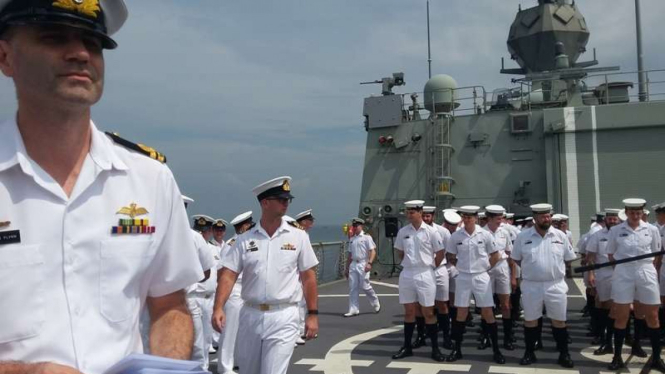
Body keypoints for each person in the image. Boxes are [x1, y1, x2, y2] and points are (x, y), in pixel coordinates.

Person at [0, 1, 205, 372]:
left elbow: (169, 304)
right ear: (5, 57)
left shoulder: (149, 180)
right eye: (53, 37)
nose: (80, 53)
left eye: (93, 43)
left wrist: (165, 366)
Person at [212, 176, 319, 374]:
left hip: (284, 315)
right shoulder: (245, 239)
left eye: (288, 200)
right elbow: (228, 275)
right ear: (265, 203)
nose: (286, 203)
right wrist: (218, 307)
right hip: (250, 315)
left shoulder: (299, 237)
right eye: (281, 199)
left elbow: (309, 276)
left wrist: (312, 314)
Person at [511, 204, 576, 368]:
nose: (546, 219)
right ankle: (529, 353)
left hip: (555, 285)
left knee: (559, 321)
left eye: (548, 216)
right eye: (542, 216)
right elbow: (517, 258)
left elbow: (569, 258)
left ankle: (564, 354)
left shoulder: (560, 236)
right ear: (535, 218)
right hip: (532, 285)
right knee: (530, 320)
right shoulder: (523, 237)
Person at [605, 198, 664, 371]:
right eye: (632, 213)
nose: (635, 216)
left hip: (645, 270)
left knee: (653, 315)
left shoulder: (651, 229)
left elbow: (656, 253)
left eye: (638, 213)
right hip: (623, 271)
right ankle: (617, 357)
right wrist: (623, 270)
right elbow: (610, 254)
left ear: (642, 212)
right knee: (621, 315)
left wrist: (648, 270)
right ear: (626, 212)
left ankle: (656, 358)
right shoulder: (616, 230)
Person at [445, 205, 504, 364]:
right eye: (464, 217)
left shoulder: (484, 235)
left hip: (481, 276)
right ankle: (457, 349)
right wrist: (459, 266)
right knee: (461, 313)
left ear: (476, 218)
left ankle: (496, 350)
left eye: (470, 217)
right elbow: (451, 255)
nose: (467, 219)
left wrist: (486, 268)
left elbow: (495, 255)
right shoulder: (456, 236)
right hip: (463, 276)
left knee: (488, 312)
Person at [392, 200, 446, 362]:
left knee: (428, 312)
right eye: (407, 212)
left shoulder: (431, 232)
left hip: (425, 273)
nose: (409, 215)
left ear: (420, 212)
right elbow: (400, 252)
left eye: (412, 212)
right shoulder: (403, 232)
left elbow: (440, 253)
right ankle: (407, 346)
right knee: (409, 311)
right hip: (408, 273)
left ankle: (435, 349)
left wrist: (431, 268)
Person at [216, 211, 253, 374]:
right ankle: (224, 366)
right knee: (230, 331)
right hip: (234, 290)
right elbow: (222, 271)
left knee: (243, 330)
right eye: (249, 225)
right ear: (244, 226)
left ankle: (237, 361)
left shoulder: (247, 241)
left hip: (246, 291)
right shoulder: (232, 244)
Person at [586, 208, 621, 356]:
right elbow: (591, 256)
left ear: (618, 220)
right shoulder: (597, 235)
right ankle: (604, 338)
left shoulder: (623, 233)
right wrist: (591, 274)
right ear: (605, 219)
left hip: (621, 273)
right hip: (603, 274)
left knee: (619, 307)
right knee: (604, 307)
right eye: (610, 218)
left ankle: (620, 338)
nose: (612, 221)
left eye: (615, 219)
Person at [187, 215, 217, 369]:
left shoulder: (214, 248)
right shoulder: (193, 240)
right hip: (194, 296)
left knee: (204, 339)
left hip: (208, 297)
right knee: (195, 343)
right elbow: (205, 273)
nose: (202, 233)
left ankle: (203, 368)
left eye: (204, 231)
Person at [484, 205, 516, 351]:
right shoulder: (481, 233)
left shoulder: (505, 232)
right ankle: (486, 336)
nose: (500, 221)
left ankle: (508, 337)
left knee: (506, 304)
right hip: (487, 269)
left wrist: (513, 276)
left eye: (501, 218)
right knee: (486, 305)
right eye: (497, 219)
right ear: (489, 218)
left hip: (502, 268)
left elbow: (510, 255)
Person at [423, 206, 452, 349]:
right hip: (424, 270)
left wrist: (436, 264)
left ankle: (447, 336)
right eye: (424, 215)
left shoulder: (443, 232)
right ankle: (423, 334)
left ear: (433, 216)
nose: (426, 218)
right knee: (423, 304)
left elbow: (447, 251)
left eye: (428, 216)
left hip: (440, 269)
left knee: (442, 304)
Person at [344, 217, 381, 317]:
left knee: (365, 286)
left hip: (363, 263)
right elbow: (350, 255)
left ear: (361, 226)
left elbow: (372, 251)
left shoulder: (366, 237)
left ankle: (375, 301)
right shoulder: (352, 239)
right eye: (354, 226)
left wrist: (369, 263)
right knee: (353, 287)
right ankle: (353, 309)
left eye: (356, 226)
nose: (355, 227)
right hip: (353, 264)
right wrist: (347, 268)